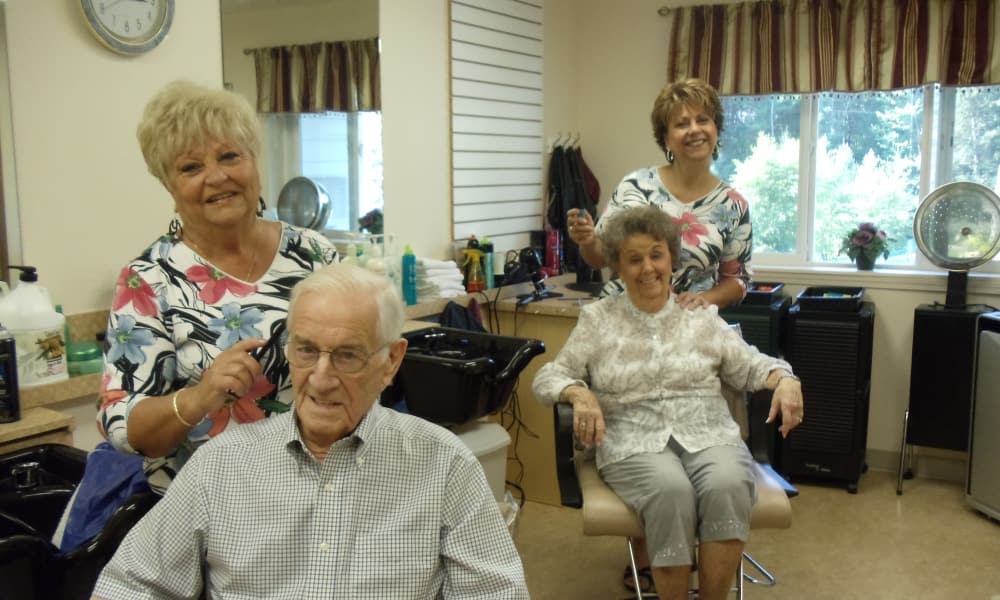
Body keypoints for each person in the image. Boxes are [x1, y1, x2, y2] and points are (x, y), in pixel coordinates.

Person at [91, 263, 529, 600]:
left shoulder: (443, 465)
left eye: (347, 356)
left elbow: (495, 592)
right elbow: (129, 586)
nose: (320, 378)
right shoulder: (219, 467)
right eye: (306, 350)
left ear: (392, 361)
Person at [532, 206, 803, 600]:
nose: (647, 268)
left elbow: (752, 365)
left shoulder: (700, 317)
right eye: (634, 259)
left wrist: (786, 379)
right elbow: (549, 376)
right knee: (670, 491)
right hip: (632, 441)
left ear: (671, 258)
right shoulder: (598, 320)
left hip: (709, 434)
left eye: (656, 255)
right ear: (617, 268)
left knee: (727, 483)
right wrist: (579, 392)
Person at [96, 80, 338, 492]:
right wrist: (199, 397)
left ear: (254, 163)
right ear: (169, 187)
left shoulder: (313, 254)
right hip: (213, 511)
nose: (217, 176)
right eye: (191, 167)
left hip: (327, 488)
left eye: (230, 156)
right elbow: (124, 426)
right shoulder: (148, 280)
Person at [567, 77, 751, 310]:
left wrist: (706, 299)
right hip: (624, 321)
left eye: (703, 120)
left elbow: (738, 281)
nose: (694, 130)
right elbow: (599, 258)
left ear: (716, 129)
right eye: (682, 124)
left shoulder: (733, 205)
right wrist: (589, 241)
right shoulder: (635, 187)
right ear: (666, 140)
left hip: (687, 327)